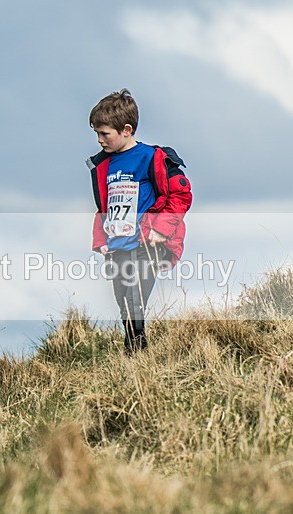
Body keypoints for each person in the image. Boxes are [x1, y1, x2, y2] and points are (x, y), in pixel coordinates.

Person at [87, 89, 192, 353]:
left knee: (136, 299)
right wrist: (101, 240)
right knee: (123, 301)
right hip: (117, 245)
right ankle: (134, 350)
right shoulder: (103, 165)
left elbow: (181, 194)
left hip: (146, 244)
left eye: (104, 134)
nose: (99, 140)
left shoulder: (153, 158)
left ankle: (136, 353)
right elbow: (104, 207)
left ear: (126, 129)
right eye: (97, 134)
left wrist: (160, 230)